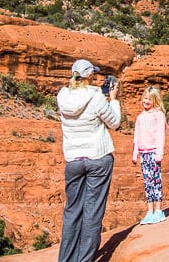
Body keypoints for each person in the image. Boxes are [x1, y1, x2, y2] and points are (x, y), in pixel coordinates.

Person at [57, 59, 120, 262]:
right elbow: (115, 123)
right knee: (92, 212)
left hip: (73, 160)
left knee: (72, 211)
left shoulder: (62, 96)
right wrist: (114, 99)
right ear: (91, 76)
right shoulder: (96, 97)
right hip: (98, 158)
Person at [131, 86, 167, 225]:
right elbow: (136, 136)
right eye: (145, 98)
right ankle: (150, 211)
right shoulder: (140, 117)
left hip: (153, 152)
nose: (146, 101)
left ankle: (158, 211)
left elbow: (160, 135)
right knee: (147, 182)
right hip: (143, 153)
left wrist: (159, 153)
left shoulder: (158, 115)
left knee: (156, 180)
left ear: (155, 101)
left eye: (149, 99)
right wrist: (135, 153)